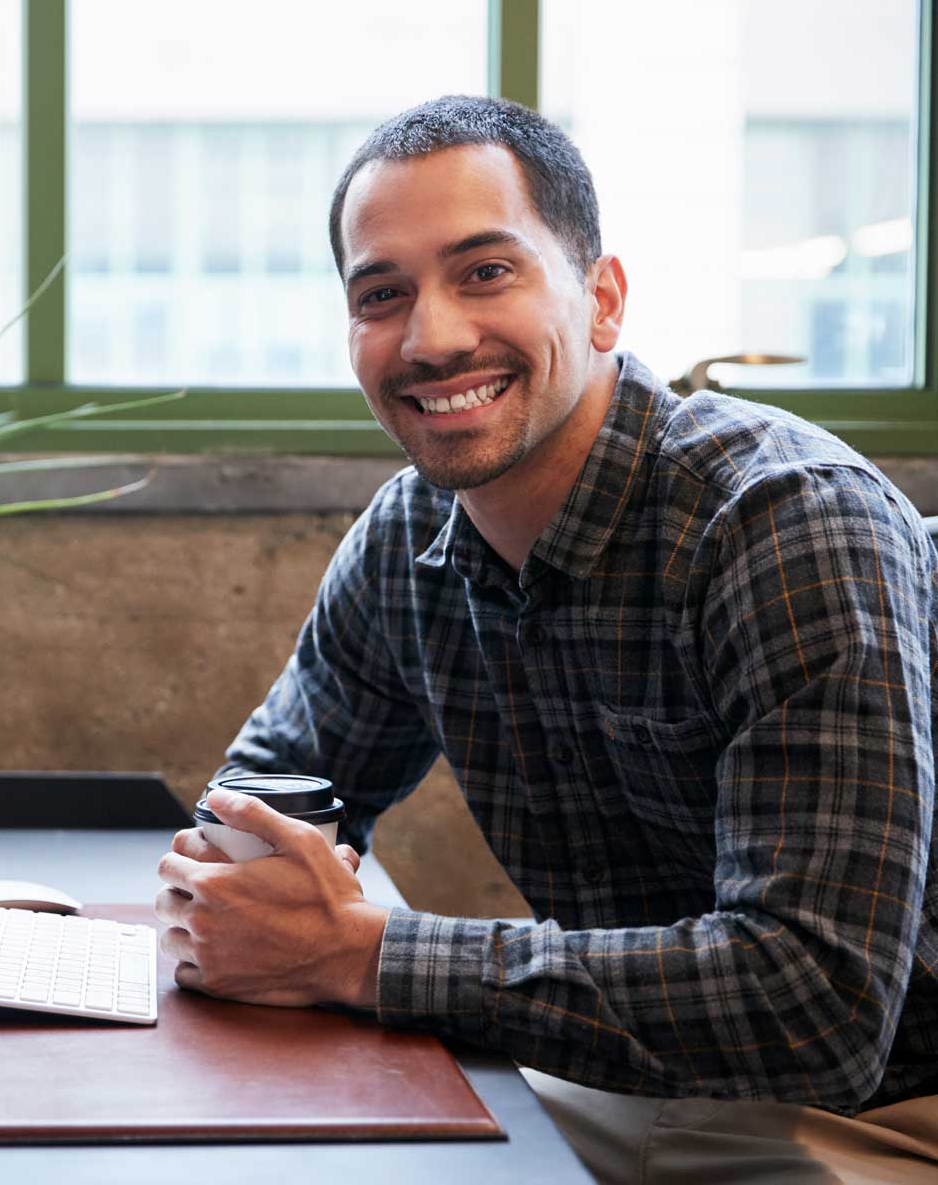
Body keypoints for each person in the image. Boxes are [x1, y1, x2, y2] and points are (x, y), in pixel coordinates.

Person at [154, 95, 938, 1182]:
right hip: (629, 1087)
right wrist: (248, 893)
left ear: (603, 300)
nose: (430, 338)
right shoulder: (410, 534)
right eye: (382, 294)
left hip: (879, 1109)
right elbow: (267, 793)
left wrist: (365, 954)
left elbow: (818, 1002)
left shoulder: (785, 520)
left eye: (486, 272)